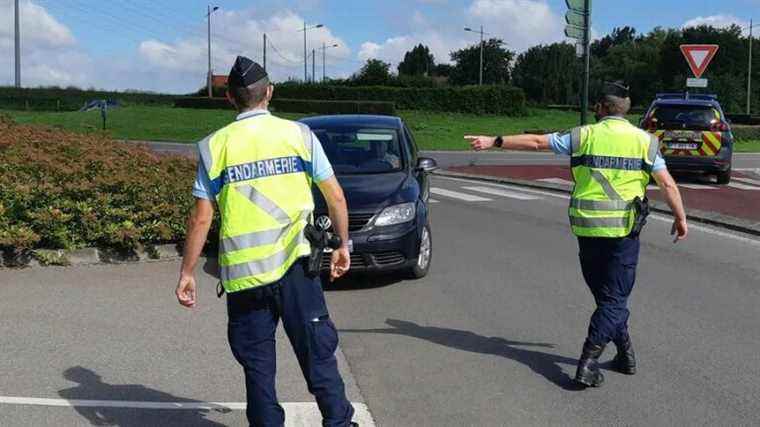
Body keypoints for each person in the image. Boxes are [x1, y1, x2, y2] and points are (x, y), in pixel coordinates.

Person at [465, 81, 688, 388]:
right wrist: (680, 217)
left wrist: (495, 140)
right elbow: (667, 184)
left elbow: (536, 143)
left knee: (608, 297)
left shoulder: (583, 134)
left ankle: (625, 355)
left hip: (587, 229)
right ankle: (588, 361)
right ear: (625, 110)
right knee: (615, 300)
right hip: (623, 233)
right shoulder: (645, 142)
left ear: (601, 108)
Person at [175, 56, 358, 426]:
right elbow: (335, 196)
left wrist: (187, 271)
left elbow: (202, 216)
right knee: (318, 356)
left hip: (245, 281)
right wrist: (342, 244)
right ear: (269, 93)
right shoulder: (299, 135)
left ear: (230, 98)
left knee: (258, 371)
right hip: (296, 270)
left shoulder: (215, 146)